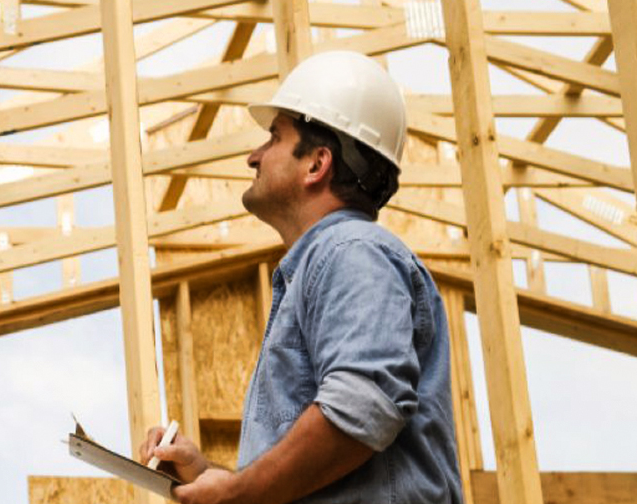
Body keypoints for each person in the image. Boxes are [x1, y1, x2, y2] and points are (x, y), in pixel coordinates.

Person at [138, 51, 463, 504]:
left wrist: (237, 492)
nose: (253, 156)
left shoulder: (353, 252)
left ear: (317, 164)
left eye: (273, 138)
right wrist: (208, 474)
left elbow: (363, 406)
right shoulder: (329, 262)